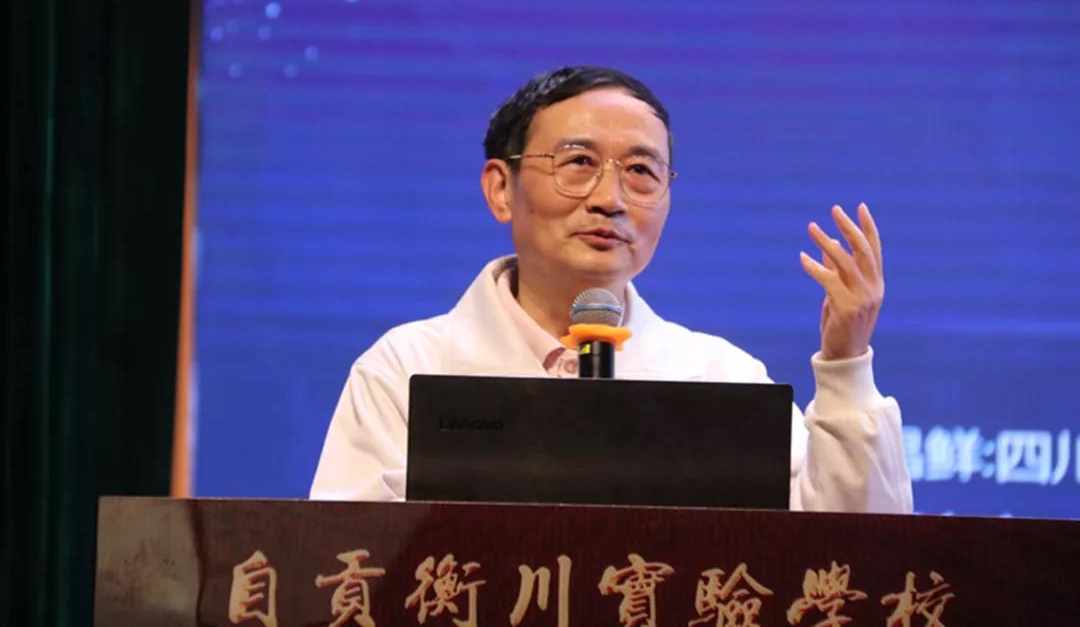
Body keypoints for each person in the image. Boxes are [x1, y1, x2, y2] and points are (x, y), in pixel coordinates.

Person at [310, 66, 913, 512]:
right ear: (500, 189)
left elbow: (851, 567)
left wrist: (845, 365)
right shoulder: (406, 370)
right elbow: (346, 570)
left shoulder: (722, 379)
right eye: (578, 163)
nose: (610, 199)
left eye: (642, 172)